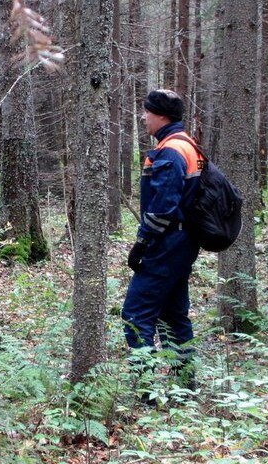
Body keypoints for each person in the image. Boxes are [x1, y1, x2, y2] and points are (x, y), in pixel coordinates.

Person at [121, 89, 202, 397]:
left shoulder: (170, 151)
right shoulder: (186, 145)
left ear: (161, 116)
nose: (143, 117)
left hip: (168, 245)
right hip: (182, 243)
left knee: (135, 313)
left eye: (147, 112)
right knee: (173, 314)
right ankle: (185, 386)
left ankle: (144, 390)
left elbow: (163, 207)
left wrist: (142, 243)